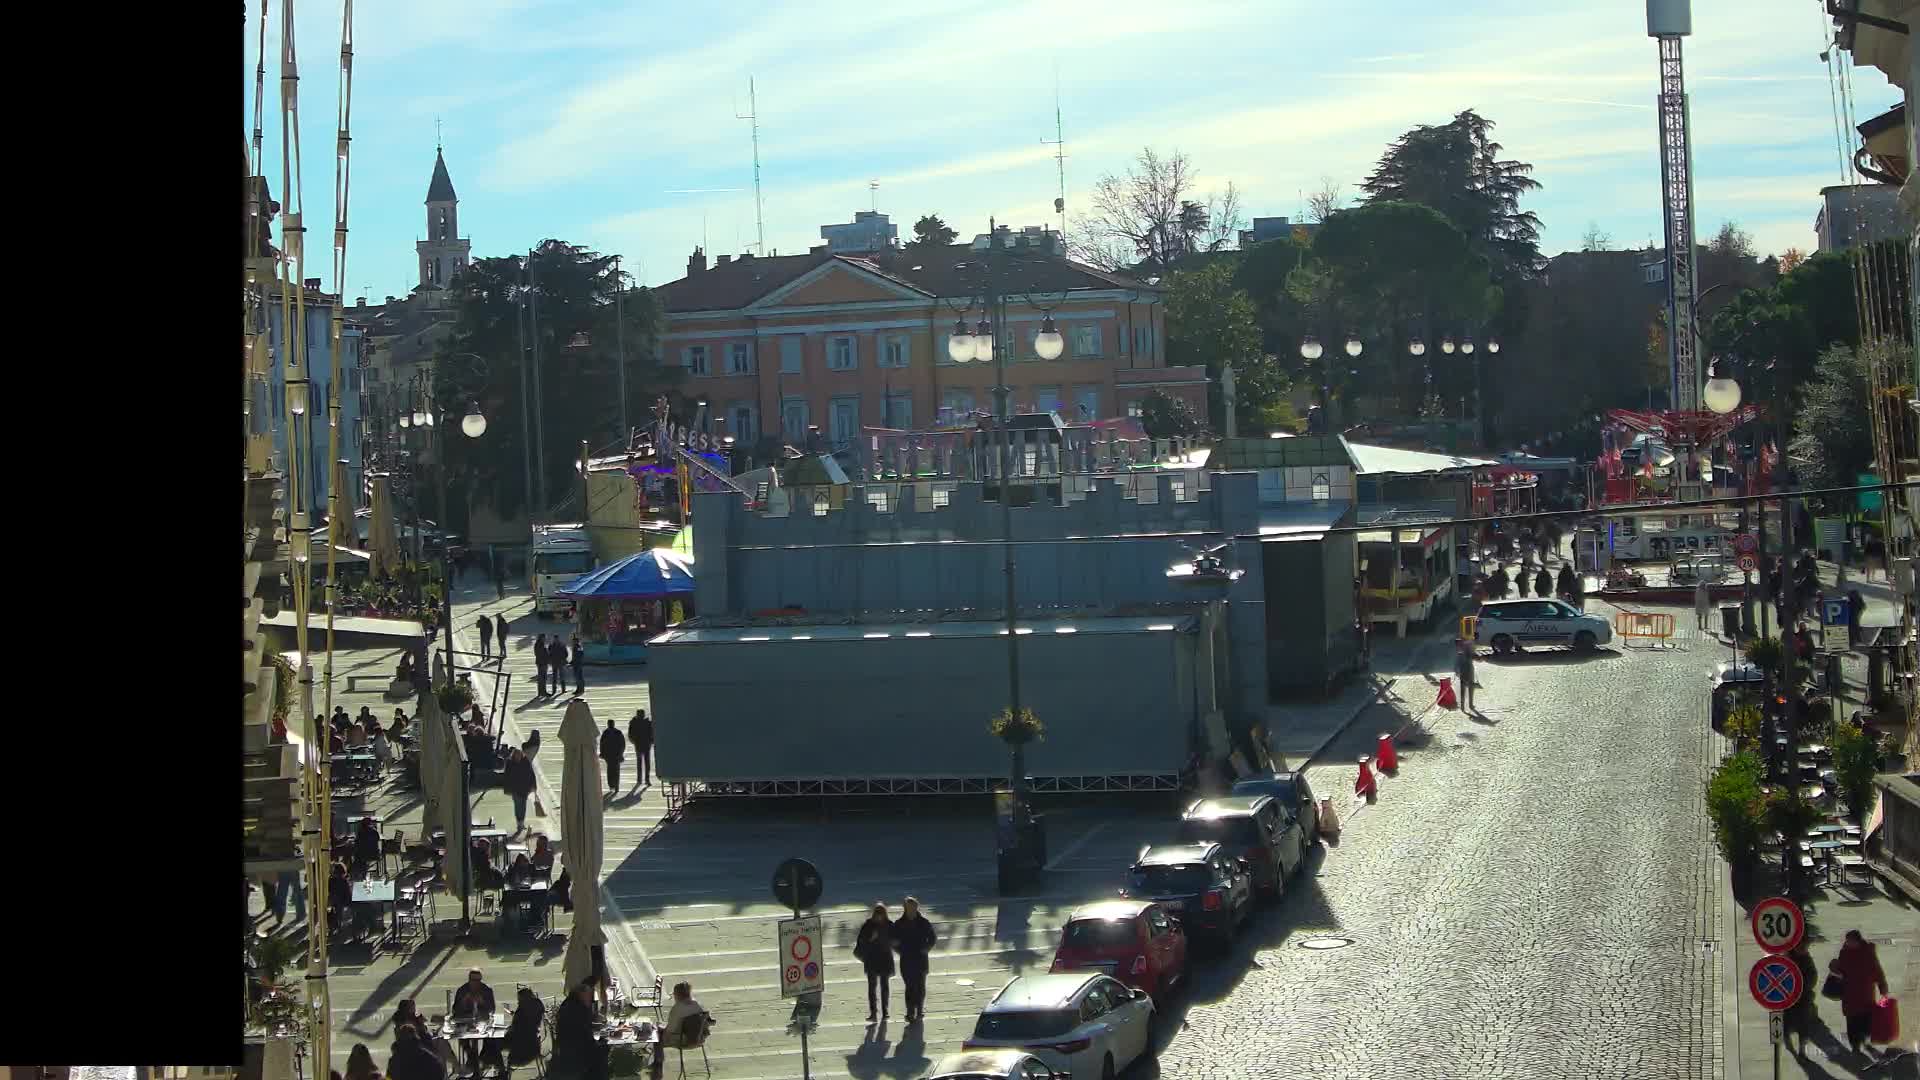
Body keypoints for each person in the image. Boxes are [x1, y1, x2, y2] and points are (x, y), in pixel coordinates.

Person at [1829, 929, 1890, 1057]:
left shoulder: (1867, 953)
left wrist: (1883, 989)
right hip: (1849, 995)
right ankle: (1855, 1047)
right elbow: (1839, 969)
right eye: (1847, 941)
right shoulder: (1844, 953)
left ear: (1857, 941)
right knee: (1852, 1023)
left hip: (1865, 995)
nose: (1847, 943)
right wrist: (1833, 967)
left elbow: (1877, 971)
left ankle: (1866, 1042)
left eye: (1850, 941)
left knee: (1866, 1022)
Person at [552, 978, 607, 1080]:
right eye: (590, 995)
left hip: (575, 1056)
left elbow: (583, 1031)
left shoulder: (575, 1006)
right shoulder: (576, 1007)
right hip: (574, 1055)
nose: (590, 999)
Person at [893, 896, 937, 1023]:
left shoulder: (924, 922)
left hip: (921, 959)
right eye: (909, 907)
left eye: (913, 907)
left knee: (920, 986)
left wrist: (926, 949)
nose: (911, 909)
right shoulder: (899, 924)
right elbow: (893, 941)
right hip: (906, 960)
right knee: (909, 986)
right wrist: (900, 951)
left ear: (917, 908)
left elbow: (932, 938)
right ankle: (910, 1012)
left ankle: (919, 1009)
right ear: (905, 908)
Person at [855, 902, 895, 1021]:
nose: (879, 917)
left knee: (884, 986)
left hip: (885, 958)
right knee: (872, 987)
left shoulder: (889, 924)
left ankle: (885, 1011)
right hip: (872, 959)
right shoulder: (868, 925)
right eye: (877, 914)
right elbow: (861, 941)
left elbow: (895, 939)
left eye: (881, 914)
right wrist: (871, 939)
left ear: (884, 914)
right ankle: (873, 1012)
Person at [1786, 941, 1819, 1057]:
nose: (1804, 949)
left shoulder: (1806, 959)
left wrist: (1803, 985)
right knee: (1786, 1024)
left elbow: (1813, 976)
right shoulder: (1787, 957)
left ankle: (1802, 1051)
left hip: (1803, 997)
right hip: (1788, 998)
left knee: (1803, 1025)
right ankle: (1788, 1044)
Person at [660, 981, 710, 1053]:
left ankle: (657, 1061)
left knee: (656, 1035)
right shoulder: (697, 1005)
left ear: (678, 995)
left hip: (683, 1040)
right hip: (700, 1039)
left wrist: (661, 1030)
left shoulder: (677, 1008)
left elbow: (671, 1030)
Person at [505, 985, 546, 1068]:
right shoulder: (537, 1004)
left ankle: (498, 1067)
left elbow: (517, 1024)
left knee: (494, 1043)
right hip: (532, 1040)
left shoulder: (522, 1008)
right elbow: (525, 1019)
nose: (517, 1001)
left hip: (520, 1044)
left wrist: (508, 1027)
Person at [504, 747, 537, 834]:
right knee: (518, 806)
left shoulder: (525, 762)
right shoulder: (510, 763)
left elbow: (531, 774)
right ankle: (519, 823)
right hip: (515, 788)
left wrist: (533, 786)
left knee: (523, 806)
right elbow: (507, 776)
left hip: (525, 788)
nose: (518, 757)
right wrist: (507, 788)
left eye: (519, 755)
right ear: (514, 755)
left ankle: (521, 823)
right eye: (516, 755)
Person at [600, 716, 627, 797]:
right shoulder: (617, 732)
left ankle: (612, 785)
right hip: (615, 755)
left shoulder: (606, 733)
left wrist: (602, 753)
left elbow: (602, 744)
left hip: (610, 755)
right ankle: (615, 786)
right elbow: (622, 744)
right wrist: (621, 753)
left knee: (610, 771)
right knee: (615, 771)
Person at [629, 709, 655, 789]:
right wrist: (651, 741)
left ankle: (640, 779)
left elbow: (630, 734)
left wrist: (634, 741)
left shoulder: (634, 723)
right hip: (645, 744)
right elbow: (652, 733)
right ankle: (646, 779)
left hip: (639, 745)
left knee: (640, 763)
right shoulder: (647, 723)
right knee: (646, 763)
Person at [1455, 637, 1476, 713]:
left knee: (1463, 689)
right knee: (1470, 687)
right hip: (1469, 670)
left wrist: (1456, 671)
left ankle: (1463, 706)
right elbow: (1473, 656)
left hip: (1462, 671)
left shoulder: (1459, 652)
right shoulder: (1467, 649)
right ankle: (1470, 705)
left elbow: (1457, 663)